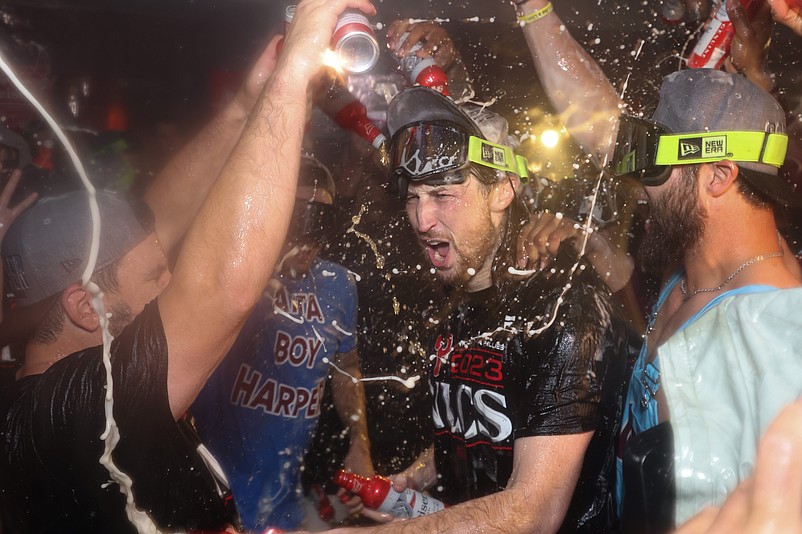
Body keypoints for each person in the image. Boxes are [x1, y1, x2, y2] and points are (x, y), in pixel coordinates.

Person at [0, 0, 376, 531]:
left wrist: (248, 103)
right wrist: (292, 76)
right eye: (156, 276)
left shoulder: (52, 378)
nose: (172, 278)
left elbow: (159, 222)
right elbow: (220, 292)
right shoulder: (66, 414)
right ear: (87, 306)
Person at [510, 0, 802, 529]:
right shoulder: (697, 269)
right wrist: (535, 10)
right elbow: (602, 127)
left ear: (718, 175)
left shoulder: (776, 340)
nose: (642, 188)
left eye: (657, 166)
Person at [332, 86, 628, 533]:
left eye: (442, 194)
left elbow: (534, 511)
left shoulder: (560, 308)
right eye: (412, 197)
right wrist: (419, 476)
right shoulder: (450, 302)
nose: (420, 219)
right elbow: (487, 431)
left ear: (503, 191)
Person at [191, 154, 374, 532]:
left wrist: (360, 444)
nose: (309, 238)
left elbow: (346, 369)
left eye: (322, 221)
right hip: (212, 499)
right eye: (299, 218)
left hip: (284, 507)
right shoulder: (237, 275)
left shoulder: (339, 285)